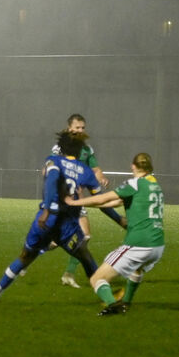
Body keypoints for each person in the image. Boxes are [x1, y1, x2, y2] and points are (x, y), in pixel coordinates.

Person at [0, 129, 101, 304]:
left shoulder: (54, 160)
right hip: (66, 224)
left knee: (24, 257)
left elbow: (51, 179)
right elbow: (100, 200)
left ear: (61, 148)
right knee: (85, 257)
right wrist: (119, 219)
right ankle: (107, 298)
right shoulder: (85, 170)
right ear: (79, 150)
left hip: (45, 221)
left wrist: (46, 209)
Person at [64, 152, 165, 316]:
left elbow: (103, 198)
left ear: (133, 166)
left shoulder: (135, 184)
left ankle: (113, 306)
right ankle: (126, 303)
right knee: (137, 270)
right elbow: (115, 202)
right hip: (157, 245)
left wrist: (74, 202)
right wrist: (85, 205)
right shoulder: (155, 186)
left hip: (139, 244)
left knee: (97, 279)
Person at [55, 114, 126, 289]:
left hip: (77, 199)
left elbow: (96, 169)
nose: (81, 130)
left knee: (83, 236)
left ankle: (68, 273)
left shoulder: (86, 149)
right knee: (76, 236)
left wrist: (101, 177)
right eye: (77, 127)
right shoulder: (59, 148)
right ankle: (94, 280)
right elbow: (52, 168)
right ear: (69, 128)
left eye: (83, 128)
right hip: (65, 199)